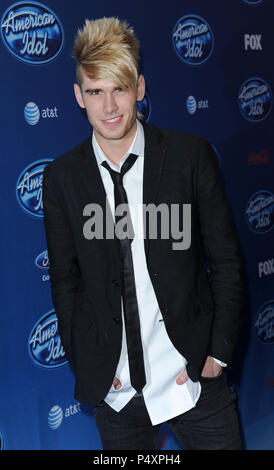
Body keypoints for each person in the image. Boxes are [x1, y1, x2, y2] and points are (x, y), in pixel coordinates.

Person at [42, 17, 245, 450]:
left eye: (119, 88)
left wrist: (217, 353)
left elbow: (226, 260)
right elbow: (65, 281)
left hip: (192, 375)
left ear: (140, 87)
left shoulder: (190, 157)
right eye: (96, 91)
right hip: (116, 392)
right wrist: (89, 361)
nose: (109, 106)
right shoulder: (61, 179)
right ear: (79, 97)